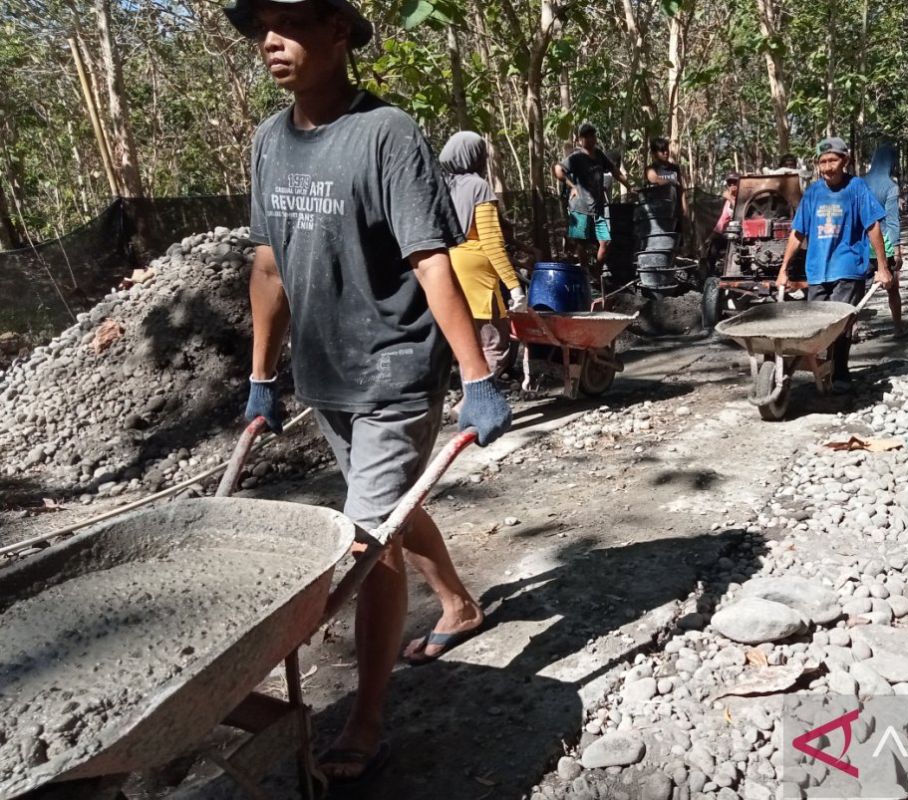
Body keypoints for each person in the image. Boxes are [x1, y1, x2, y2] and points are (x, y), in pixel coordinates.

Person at [224, 0, 511, 787]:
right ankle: (457, 603)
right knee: (385, 507)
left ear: (340, 33)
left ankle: (366, 716)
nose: (270, 42)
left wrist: (477, 379)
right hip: (326, 374)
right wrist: (260, 376)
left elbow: (431, 261)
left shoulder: (386, 133)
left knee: (365, 539)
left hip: (394, 368)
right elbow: (270, 267)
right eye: (260, 30)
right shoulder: (268, 143)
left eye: (289, 24)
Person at [776, 137, 891, 393]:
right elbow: (797, 233)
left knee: (840, 322)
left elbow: (873, 225)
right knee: (819, 327)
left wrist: (882, 267)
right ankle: (822, 370)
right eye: (823, 162)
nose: (827, 168)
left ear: (845, 161)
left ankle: (840, 371)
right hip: (817, 270)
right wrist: (783, 269)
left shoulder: (857, 188)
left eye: (833, 161)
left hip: (848, 266)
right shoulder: (814, 192)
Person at [439, 131, 526, 381]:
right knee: (493, 344)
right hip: (479, 279)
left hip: (450, 270)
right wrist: (514, 286)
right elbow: (492, 242)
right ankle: (475, 403)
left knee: (466, 345)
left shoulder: (443, 187)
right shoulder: (478, 187)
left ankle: (469, 399)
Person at [553, 123, 632, 282]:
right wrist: (572, 186)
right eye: (586, 136)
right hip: (580, 208)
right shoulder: (575, 158)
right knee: (581, 243)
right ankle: (584, 274)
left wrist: (629, 186)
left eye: (592, 135)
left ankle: (596, 271)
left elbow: (614, 171)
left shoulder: (600, 155)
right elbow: (558, 169)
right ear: (581, 140)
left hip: (598, 209)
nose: (590, 139)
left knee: (606, 242)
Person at [862, 143, 905, 335]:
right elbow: (892, 219)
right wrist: (897, 249)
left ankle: (852, 328)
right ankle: (898, 327)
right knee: (893, 289)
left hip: (861, 246)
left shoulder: (859, 183)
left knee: (857, 292)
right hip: (884, 246)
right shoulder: (891, 186)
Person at [644, 136, 689, 222]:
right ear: (655, 153)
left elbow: (680, 189)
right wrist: (671, 181)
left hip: (675, 212)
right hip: (657, 214)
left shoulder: (675, 168)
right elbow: (653, 179)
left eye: (667, 150)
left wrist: (685, 207)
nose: (666, 153)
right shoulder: (650, 169)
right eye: (662, 151)